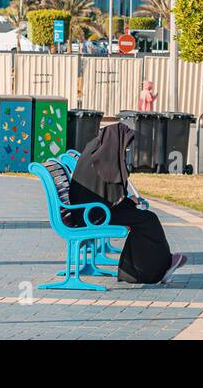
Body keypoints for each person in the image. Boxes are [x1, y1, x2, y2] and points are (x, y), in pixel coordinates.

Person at [69, 116, 186, 284]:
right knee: (147, 220)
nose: (124, 152)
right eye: (125, 148)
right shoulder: (103, 157)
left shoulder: (98, 150)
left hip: (93, 210)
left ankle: (139, 270)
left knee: (144, 219)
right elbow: (110, 190)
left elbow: (107, 191)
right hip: (92, 215)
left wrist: (128, 201)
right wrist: (128, 200)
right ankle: (154, 270)